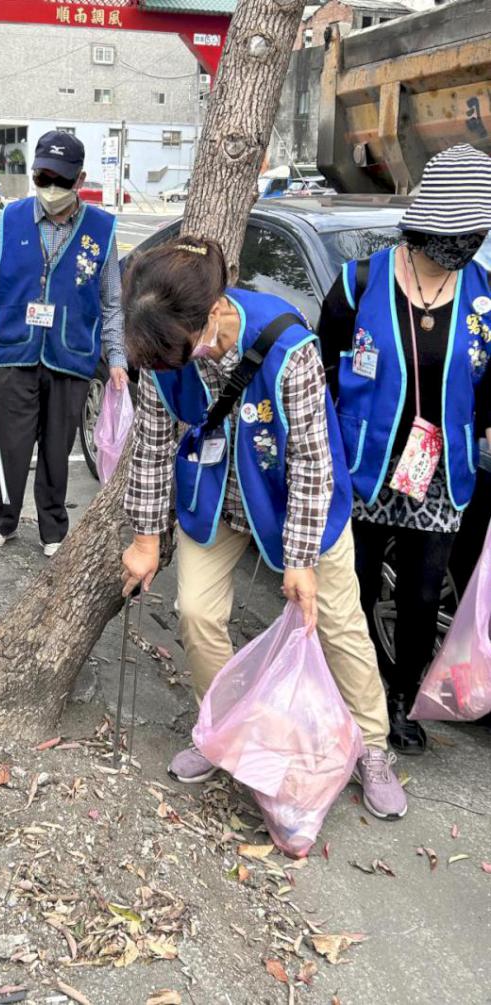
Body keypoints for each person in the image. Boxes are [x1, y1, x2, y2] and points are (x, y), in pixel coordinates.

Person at [120, 236, 407, 821]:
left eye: (183, 347)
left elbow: (311, 461)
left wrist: (300, 560)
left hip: (292, 500)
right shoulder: (158, 354)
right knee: (197, 614)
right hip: (215, 494)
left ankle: (372, 747)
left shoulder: (289, 345)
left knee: (335, 622)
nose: (178, 362)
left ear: (215, 310)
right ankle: (222, 727)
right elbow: (151, 447)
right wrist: (146, 538)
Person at [319, 143, 491, 754]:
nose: (460, 245)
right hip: (365, 464)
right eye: (452, 232)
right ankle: (352, 695)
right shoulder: (359, 283)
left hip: (441, 471)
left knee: (420, 596)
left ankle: (399, 699)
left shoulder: (485, 297)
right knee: (355, 589)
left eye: (473, 233)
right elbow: (324, 369)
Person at [0, 131, 129, 557]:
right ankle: (1, 518)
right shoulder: (10, 219)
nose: (50, 187)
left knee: (58, 449)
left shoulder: (102, 230)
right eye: (42, 176)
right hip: (14, 351)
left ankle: (53, 526)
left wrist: (116, 357)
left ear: (80, 180)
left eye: (60, 179)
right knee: (9, 443)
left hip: (71, 355)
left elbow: (112, 302)